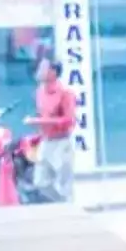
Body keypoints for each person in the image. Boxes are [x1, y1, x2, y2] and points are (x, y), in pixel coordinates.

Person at [29, 56, 78, 203]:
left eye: (44, 68)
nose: (40, 71)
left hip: (61, 142)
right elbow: (40, 114)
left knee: (64, 184)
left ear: (53, 72)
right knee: (40, 182)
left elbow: (69, 120)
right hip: (46, 142)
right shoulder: (39, 92)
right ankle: (61, 203)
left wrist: (43, 121)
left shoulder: (65, 93)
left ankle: (68, 210)